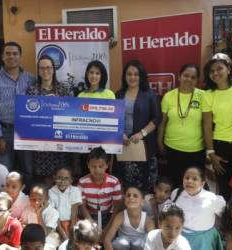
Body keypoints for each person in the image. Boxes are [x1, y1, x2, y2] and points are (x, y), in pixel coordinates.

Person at [0, 41, 36, 173]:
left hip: (26, 131)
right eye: (8, 54)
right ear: (2, 57)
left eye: (15, 53)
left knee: (28, 169)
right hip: (5, 132)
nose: (11, 56)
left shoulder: (31, 79)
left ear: (20, 56)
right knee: (5, 170)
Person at [114, 60, 162, 192]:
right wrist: (120, 134)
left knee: (145, 186)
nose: (132, 77)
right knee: (126, 186)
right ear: (125, 76)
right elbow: (114, 118)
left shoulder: (150, 95)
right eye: (129, 74)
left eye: (136, 74)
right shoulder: (118, 94)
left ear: (141, 76)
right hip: (124, 144)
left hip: (144, 145)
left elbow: (157, 118)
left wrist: (142, 134)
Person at [27, 54, 73, 187]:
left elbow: (72, 112)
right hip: (41, 143)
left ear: (54, 69)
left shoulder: (64, 89)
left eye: (48, 67)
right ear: (38, 70)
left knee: (61, 178)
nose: (45, 71)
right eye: (41, 68)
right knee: (45, 180)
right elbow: (29, 116)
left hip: (61, 141)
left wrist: (57, 104)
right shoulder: (32, 90)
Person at [157, 64, 205, 188]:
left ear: (197, 80)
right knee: (176, 185)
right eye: (186, 75)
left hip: (196, 150)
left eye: (193, 77)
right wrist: (160, 143)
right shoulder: (169, 96)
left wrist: (210, 149)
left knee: (194, 187)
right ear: (179, 76)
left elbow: (207, 124)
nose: (189, 79)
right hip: (172, 149)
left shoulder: (203, 96)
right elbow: (162, 123)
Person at [202, 53, 232, 200]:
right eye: (211, 71)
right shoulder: (208, 95)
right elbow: (207, 126)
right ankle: (226, 221)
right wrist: (211, 153)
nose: (215, 73)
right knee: (224, 190)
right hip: (220, 147)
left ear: (229, 69)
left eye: (219, 69)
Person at [171, 166, 226, 250]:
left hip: (203, 240)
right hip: (181, 235)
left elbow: (224, 215)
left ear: (202, 183)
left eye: (194, 179)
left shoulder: (212, 199)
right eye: (187, 177)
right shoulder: (176, 193)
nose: (189, 181)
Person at [78, 146, 122, 230]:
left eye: (100, 166)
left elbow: (117, 207)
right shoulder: (82, 182)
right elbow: (82, 206)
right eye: (93, 166)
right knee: (88, 236)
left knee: (109, 236)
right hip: (89, 215)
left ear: (107, 166)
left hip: (108, 215)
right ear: (88, 166)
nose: (97, 170)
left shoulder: (114, 182)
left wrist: (108, 227)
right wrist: (91, 222)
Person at [104, 185, 155, 250]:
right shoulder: (120, 216)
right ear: (125, 200)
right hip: (123, 246)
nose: (131, 197)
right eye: (128, 195)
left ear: (143, 202)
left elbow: (153, 242)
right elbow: (107, 240)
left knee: (139, 245)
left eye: (135, 196)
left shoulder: (148, 220)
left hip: (140, 247)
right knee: (119, 244)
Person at [20, 183, 60, 250]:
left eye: (40, 199)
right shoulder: (27, 209)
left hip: (48, 241)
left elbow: (45, 234)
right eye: (33, 199)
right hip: (30, 241)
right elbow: (23, 226)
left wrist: (39, 214)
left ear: (47, 198)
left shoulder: (53, 213)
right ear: (29, 198)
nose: (36, 202)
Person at [49, 166, 82, 240]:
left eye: (66, 178)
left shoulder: (75, 191)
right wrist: (62, 232)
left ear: (71, 180)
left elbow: (74, 212)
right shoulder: (51, 192)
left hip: (72, 222)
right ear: (55, 178)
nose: (62, 181)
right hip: (57, 224)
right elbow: (53, 214)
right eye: (59, 178)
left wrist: (71, 228)